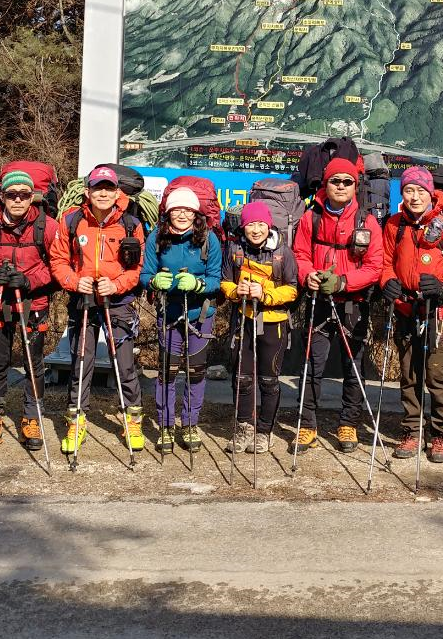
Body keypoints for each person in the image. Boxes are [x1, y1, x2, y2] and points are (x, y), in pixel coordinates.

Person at [379, 166, 443, 464]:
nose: (414, 197)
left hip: (439, 313)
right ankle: (411, 431)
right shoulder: (395, 224)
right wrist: (388, 282)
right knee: (409, 375)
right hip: (406, 309)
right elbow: (385, 263)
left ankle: (440, 435)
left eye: (420, 191)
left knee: (436, 376)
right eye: (409, 190)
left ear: (431, 193)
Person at [49, 166, 145, 457]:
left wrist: (115, 285)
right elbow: (58, 260)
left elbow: (137, 268)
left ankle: (132, 421)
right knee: (81, 362)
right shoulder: (72, 220)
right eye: (97, 188)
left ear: (117, 192)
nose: (102, 193)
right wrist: (74, 281)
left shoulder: (131, 224)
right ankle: (76, 421)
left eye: (108, 188)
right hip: (83, 300)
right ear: (87, 191)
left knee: (124, 365)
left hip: (118, 301)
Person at [292, 157, 383, 453]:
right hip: (318, 301)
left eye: (347, 182)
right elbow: (300, 254)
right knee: (311, 365)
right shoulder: (311, 218)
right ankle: (307, 425)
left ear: (355, 186)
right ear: (326, 184)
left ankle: (348, 424)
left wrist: (344, 282)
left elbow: (375, 266)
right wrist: (308, 275)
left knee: (353, 367)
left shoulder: (367, 221)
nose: (341, 186)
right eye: (335, 181)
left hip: (353, 303)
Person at [0, 169, 58, 455]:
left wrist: (30, 280)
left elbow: (58, 263)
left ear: (33, 197)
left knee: (33, 363)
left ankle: (32, 419)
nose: (18, 200)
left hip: (34, 302)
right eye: (12, 195)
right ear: (3, 196)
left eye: (24, 194)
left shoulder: (47, 226)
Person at [140, 186, 223, 455]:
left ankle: (189, 424)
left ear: (196, 213)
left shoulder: (209, 239)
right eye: (177, 209)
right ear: (168, 212)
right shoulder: (156, 237)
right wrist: (154, 281)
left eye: (188, 210)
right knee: (167, 373)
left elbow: (216, 279)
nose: (183, 214)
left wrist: (198, 285)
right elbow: (144, 274)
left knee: (195, 372)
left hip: (200, 315)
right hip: (169, 312)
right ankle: (165, 425)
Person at [220, 202, 298, 454]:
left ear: (269, 225)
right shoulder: (234, 249)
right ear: (243, 226)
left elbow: (292, 289)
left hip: (274, 324)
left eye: (261, 224)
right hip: (244, 319)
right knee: (242, 378)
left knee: (268, 379)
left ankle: (265, 431)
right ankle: (244, 427)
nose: (256, 230)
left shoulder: (283, 252)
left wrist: (265, 294)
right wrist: (236, 291)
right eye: (251, 224)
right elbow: (225, 281)